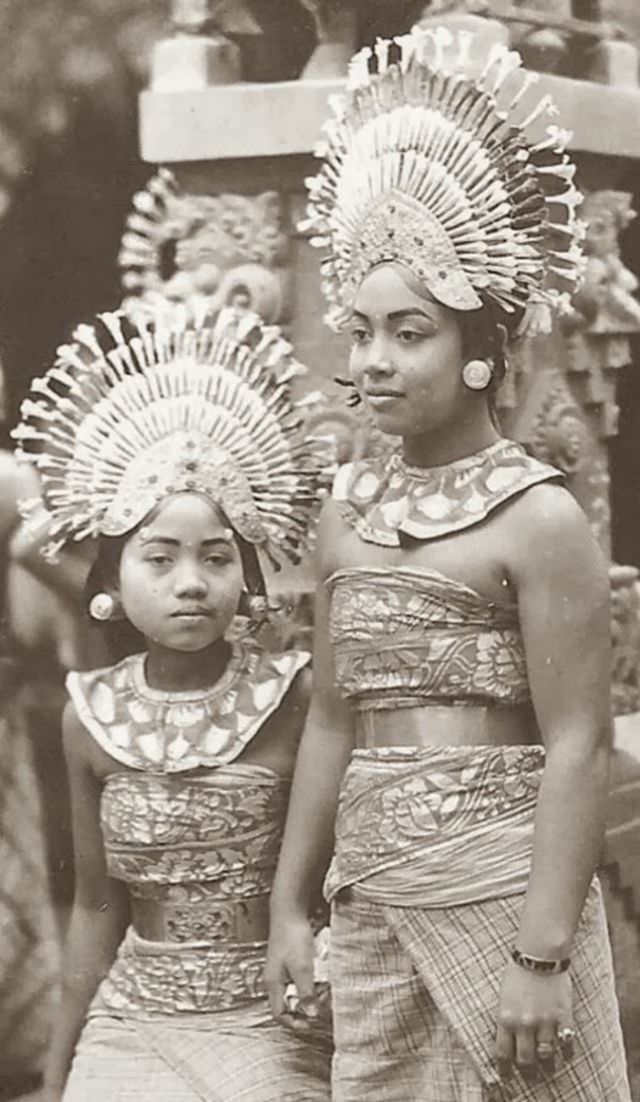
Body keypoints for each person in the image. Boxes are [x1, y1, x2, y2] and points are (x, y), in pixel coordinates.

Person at [266, 25, 632, 1102]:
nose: (372, 360)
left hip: (504, 893)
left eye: (409, 332)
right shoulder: (347, 515)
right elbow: (332, 718)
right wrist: (293, 903)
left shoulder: (538, 518)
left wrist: (541, 956)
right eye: (360, 330)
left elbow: (579, 745)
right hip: (371, 894)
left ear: (479, 346)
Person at [13, 305, 331, 1101]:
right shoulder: (87, 715)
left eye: (217, 558)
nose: (191, 582)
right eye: (159, 559)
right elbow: (92, 907)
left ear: (247, 581)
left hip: (269, 1017)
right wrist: (59, 1074)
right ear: (112, 585)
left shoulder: (295, 699)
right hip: (132, 1019)